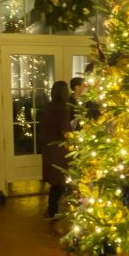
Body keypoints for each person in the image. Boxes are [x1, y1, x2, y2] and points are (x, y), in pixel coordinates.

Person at [41, 80, 72, 220]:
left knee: (54, 182)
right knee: (60, 183)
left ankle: (51, 209)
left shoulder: (47, 107)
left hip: (48, 148)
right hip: (59, 149)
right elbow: (64, 129)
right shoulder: (63, 108)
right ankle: (53, 212)